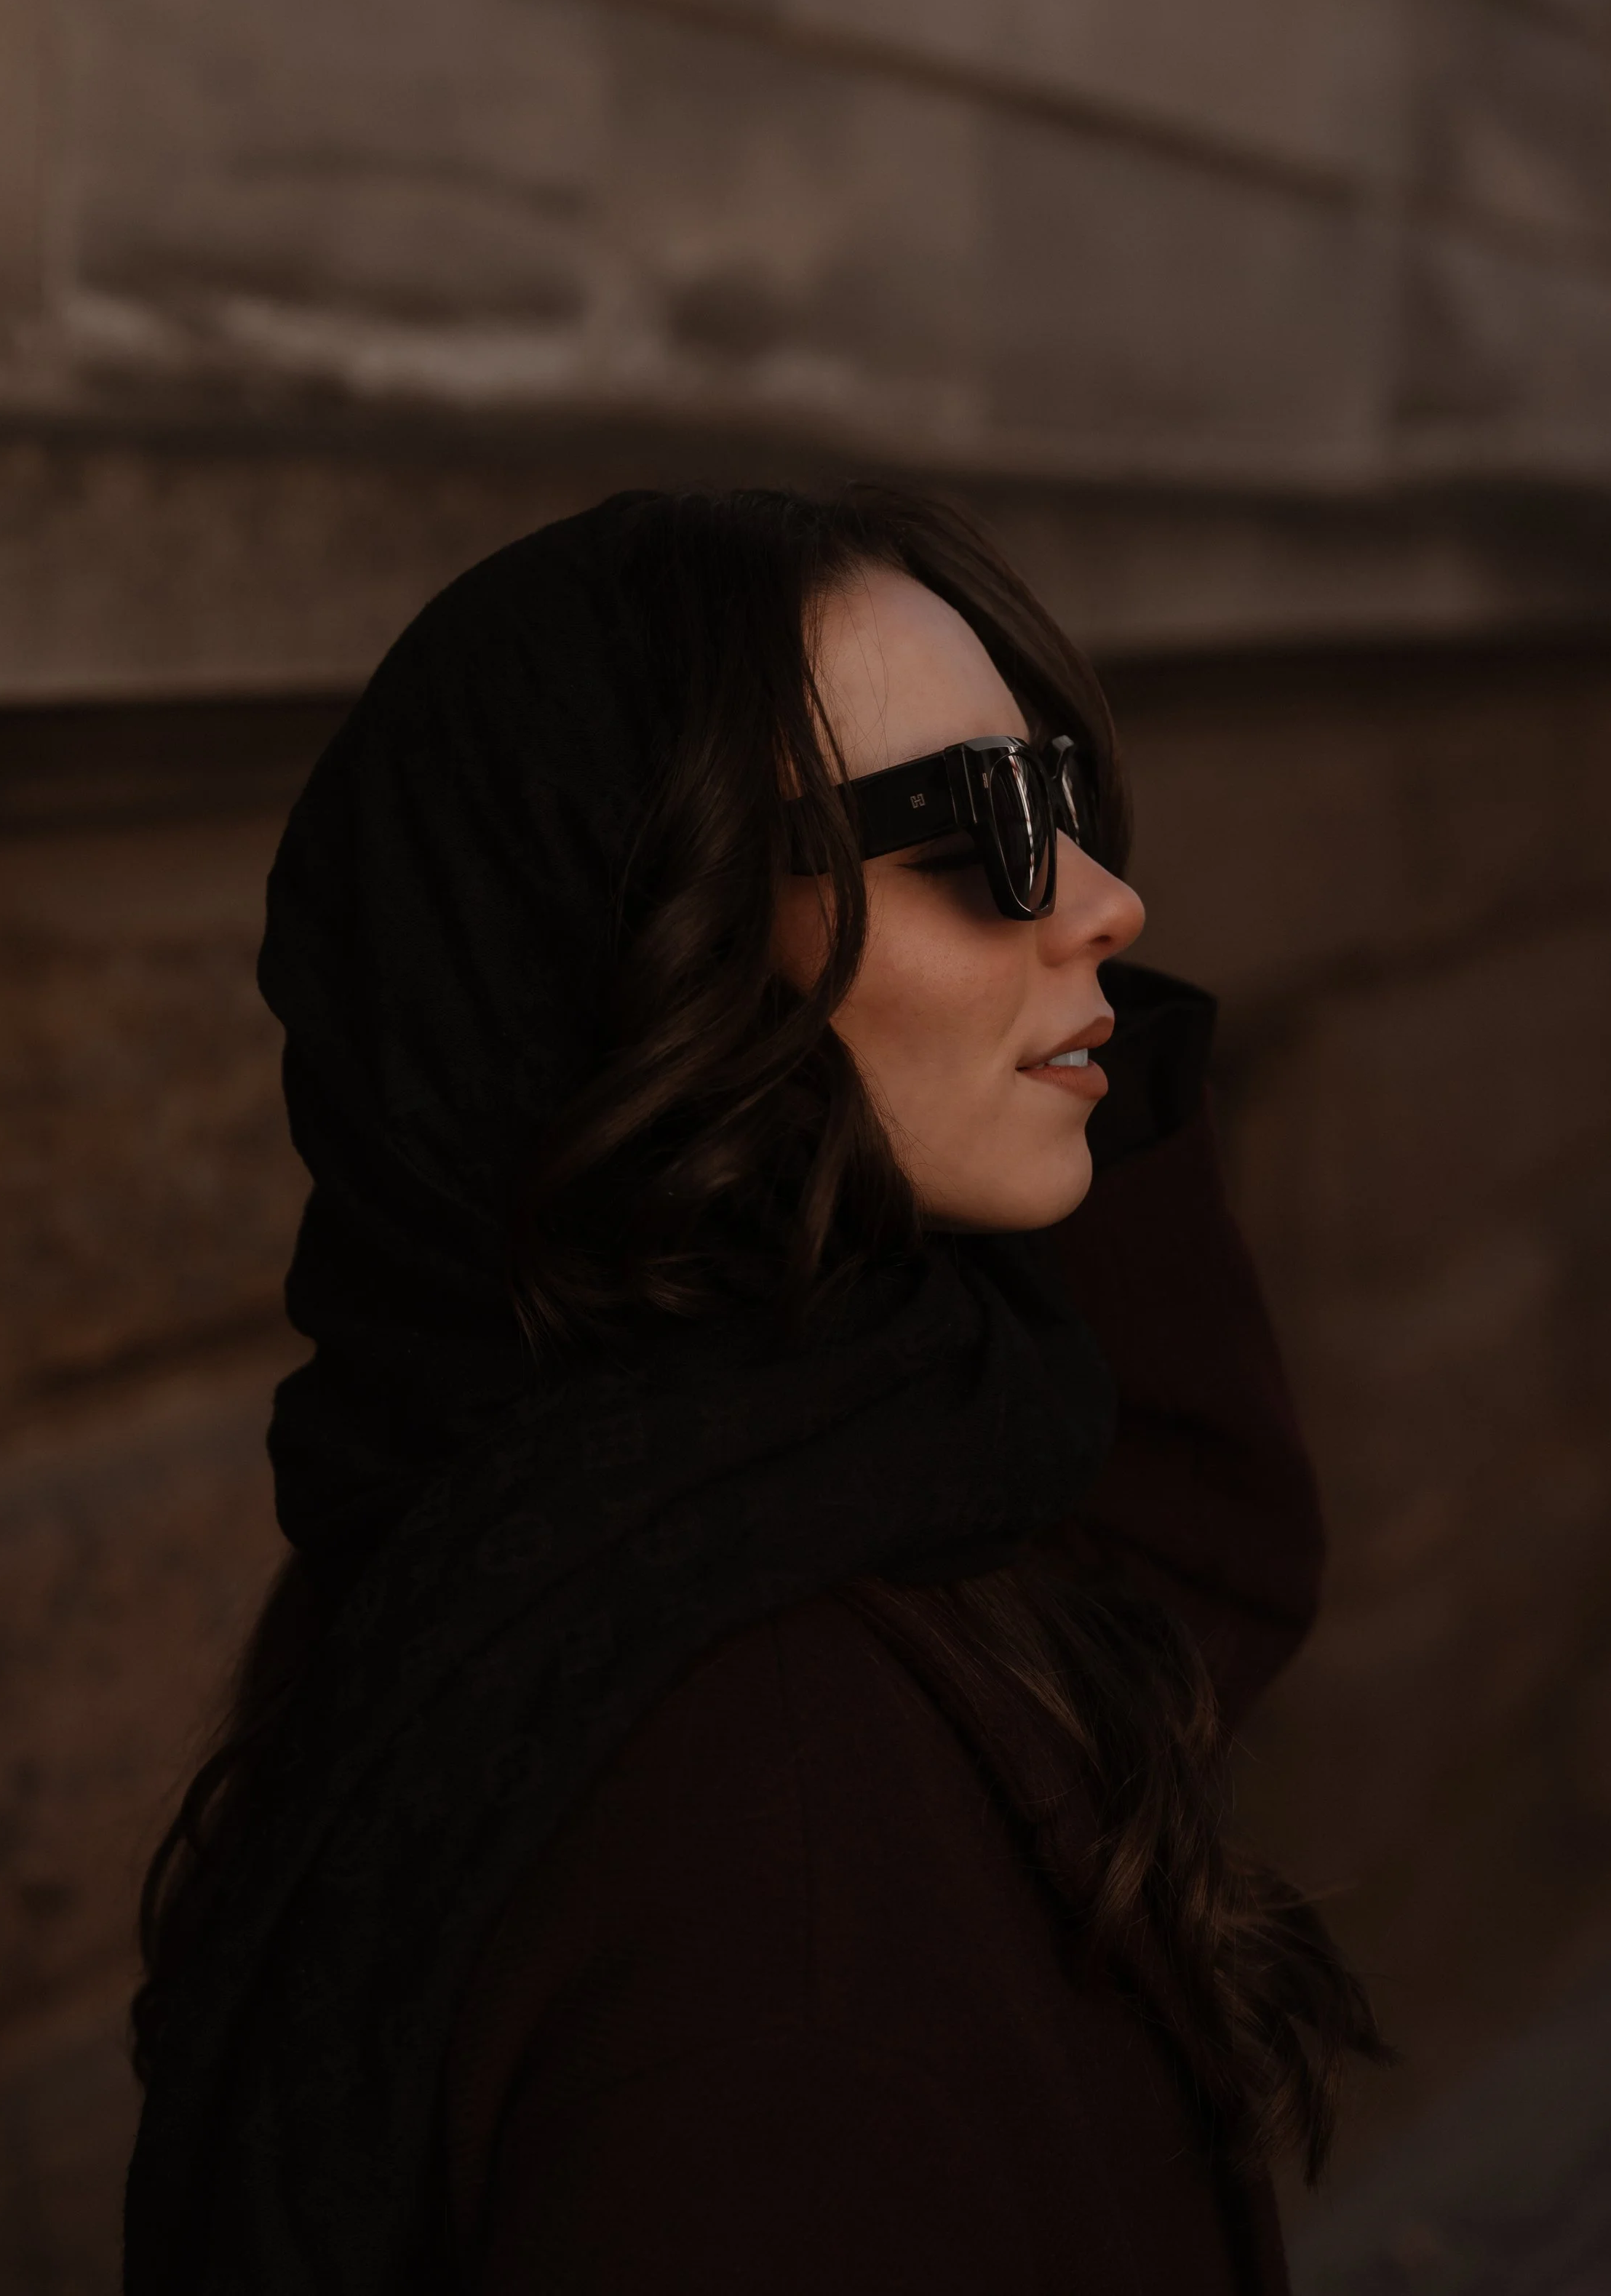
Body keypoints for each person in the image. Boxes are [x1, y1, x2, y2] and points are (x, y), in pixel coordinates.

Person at [127, 484, 1383, 2295]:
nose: (1108, 903)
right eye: (988, 829)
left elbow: (1186, 1551)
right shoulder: (767, 1865)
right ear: (658, 945)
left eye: (1068, 801)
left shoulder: (660, 1489)